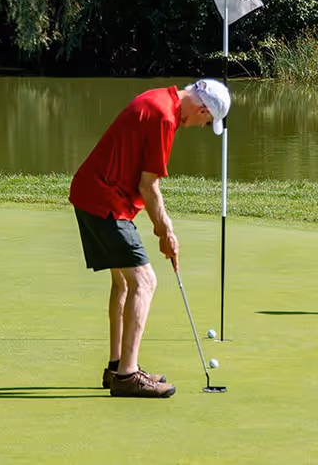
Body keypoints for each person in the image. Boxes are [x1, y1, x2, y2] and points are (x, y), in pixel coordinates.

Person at [69, 79, 231, 397]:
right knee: (145, 281)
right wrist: (166, 232)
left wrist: (162, 229)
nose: (201, 125)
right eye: (207, 121)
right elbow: (148, 185)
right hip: (105, 202)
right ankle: (128, 376)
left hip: (92, 194)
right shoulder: (165, 117)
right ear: (201, 109)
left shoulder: (159, 98)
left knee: (125, 283)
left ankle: (117, 365)